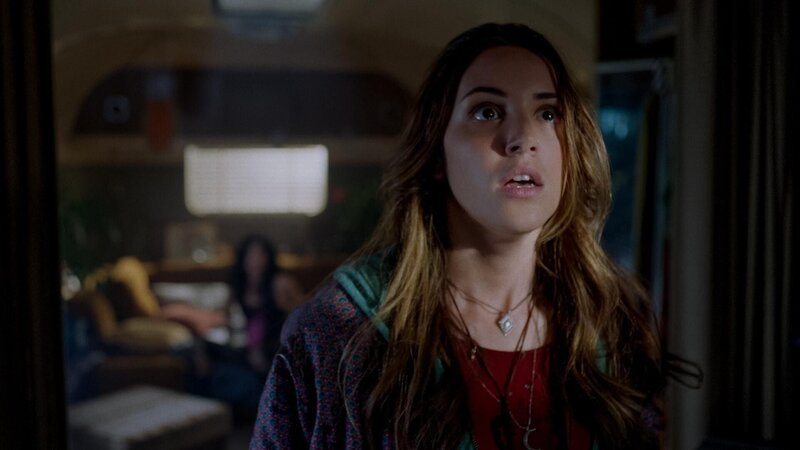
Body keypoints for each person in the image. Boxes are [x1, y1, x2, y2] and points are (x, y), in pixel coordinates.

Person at [250, 23, 700, 450]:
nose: (522, 138)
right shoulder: (339, 331)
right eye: (487, 111)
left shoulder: (612, 320)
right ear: (437, 153)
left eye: (547, 113)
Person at [202, 235, 304, 414]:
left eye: (261, 254)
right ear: (243, 259)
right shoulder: (239, 286)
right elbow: (224, 319)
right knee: (204, 360)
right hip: (247, 353)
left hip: (275, 353)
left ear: (269, 257)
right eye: (252, 255)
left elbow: (304, 317)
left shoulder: (280, 283)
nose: (256, 260)